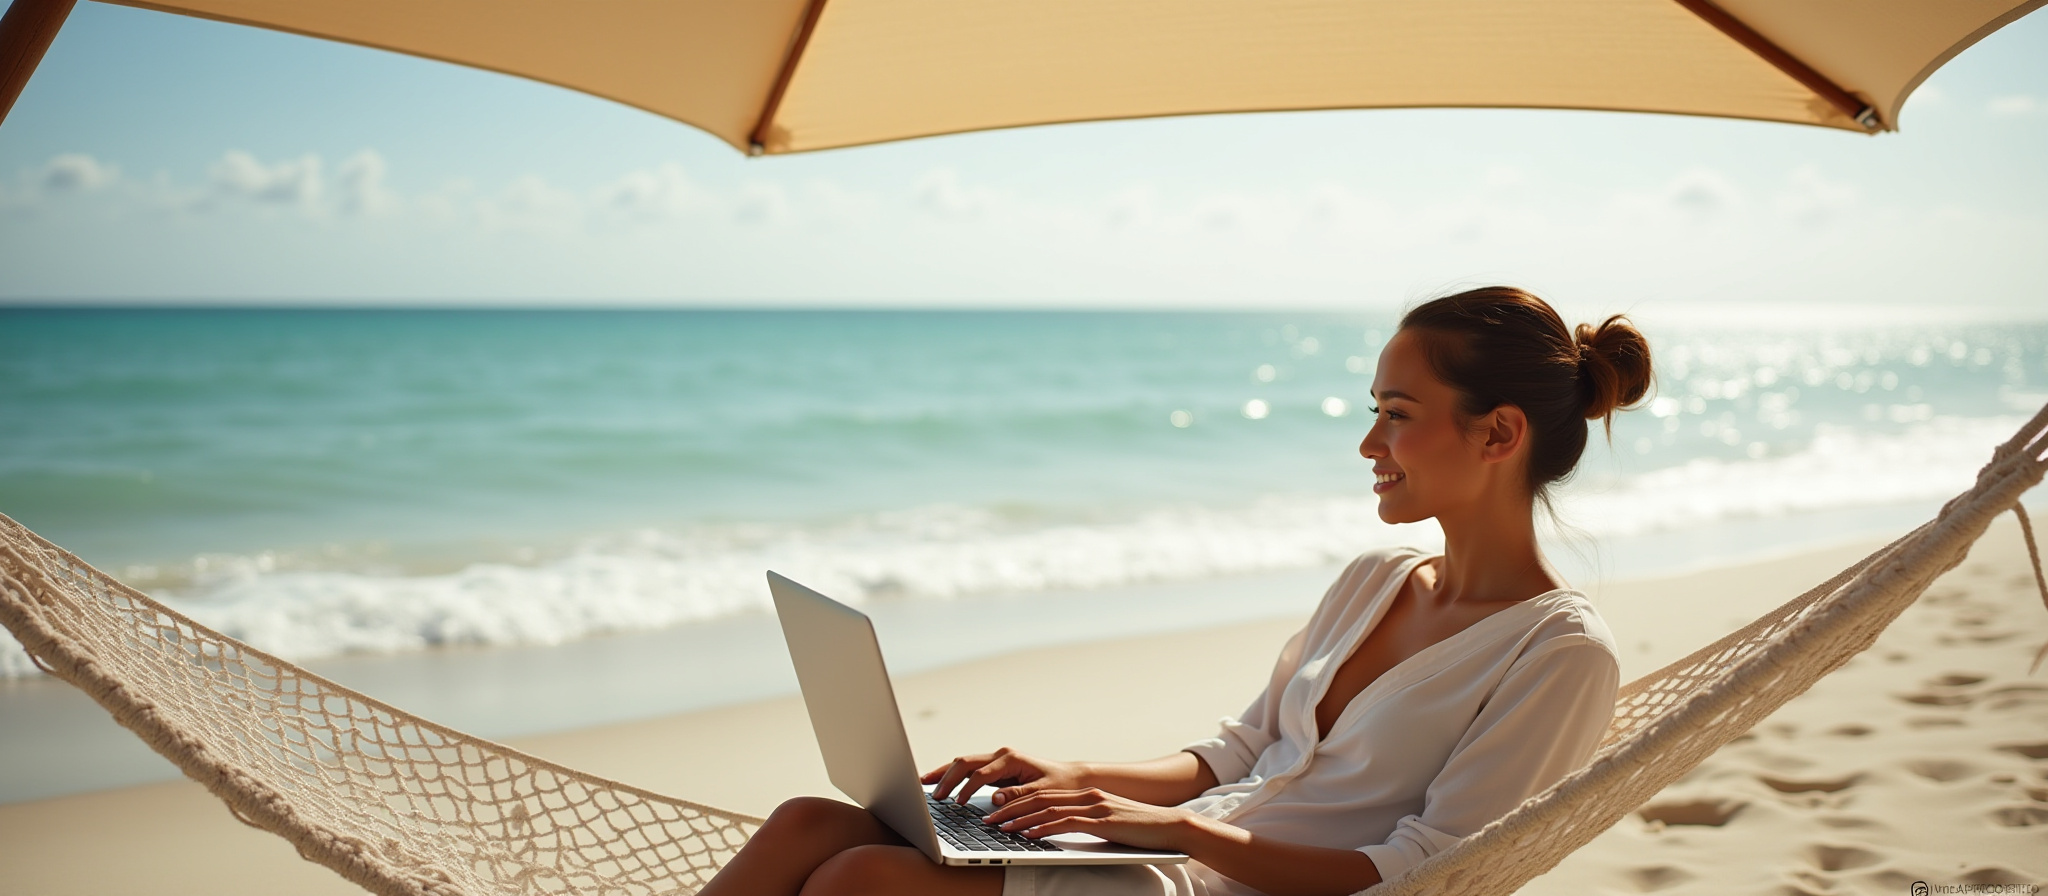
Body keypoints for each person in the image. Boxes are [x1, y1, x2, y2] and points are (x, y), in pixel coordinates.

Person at [698, 286, 1654, 896]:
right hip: (1167, 852)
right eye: (1374, 414)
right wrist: (1078, 777)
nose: (1369, 446)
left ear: (1497, 435)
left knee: (865, 878)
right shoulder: (1379, 579)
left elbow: (1431, 871)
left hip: (1212, 889)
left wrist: (1172, 834)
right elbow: (1238, 751)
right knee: (808, 823)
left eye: (1396, 417)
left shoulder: (1561, 656)